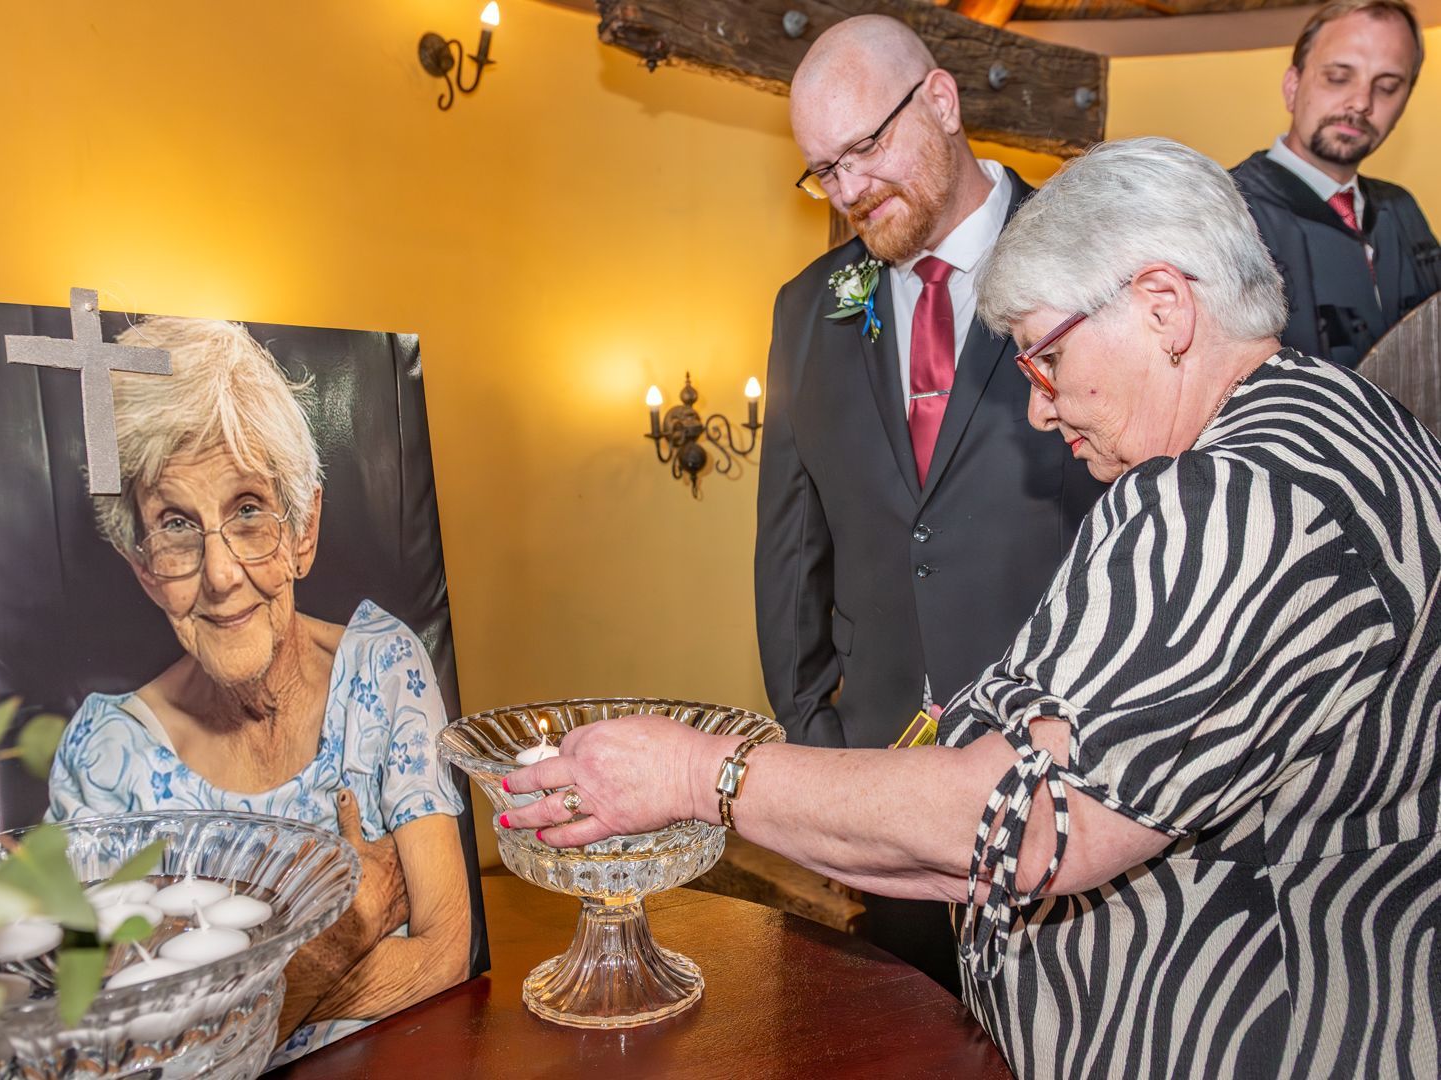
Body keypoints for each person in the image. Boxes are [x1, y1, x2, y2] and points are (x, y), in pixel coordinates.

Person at [505, 139, 1441, 1078]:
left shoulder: (1225, 497)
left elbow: (1024, 826)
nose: (1041, 410)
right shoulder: (1348, 417)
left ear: (1164, 306)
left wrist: (697, 773)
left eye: (1050, 358)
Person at [754, 13, 1104, 991]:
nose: (847, 190)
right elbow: (790, 551)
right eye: (823, 170)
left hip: (1071, 788)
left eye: (864, 148)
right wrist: (824, 759)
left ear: (941, 101)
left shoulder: (1093, 260)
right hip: (888, 794)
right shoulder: (808, 309)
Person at [44, 318, 471, 1067]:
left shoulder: (382, 667)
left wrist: (214, 1019)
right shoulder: (105, 757)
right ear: (143, 567)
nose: (219, 574)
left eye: (247, 510)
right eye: (176, 524)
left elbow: (447, 952)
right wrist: (349, 929)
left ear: (303, 531)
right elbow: (113, 1058)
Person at [1231, 0, 1440, 368]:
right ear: (1292, 86)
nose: (1361, 102)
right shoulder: (1226, 211)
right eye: (1339, 77)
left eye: (1387, 86)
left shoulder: (1401, 209)